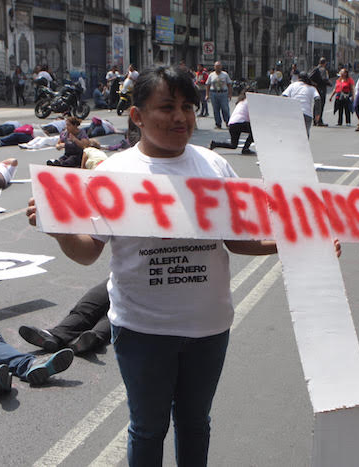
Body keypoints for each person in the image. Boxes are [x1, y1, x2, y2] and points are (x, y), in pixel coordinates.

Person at [26, 65, 291, 467]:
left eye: (188, 107)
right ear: (137, 116)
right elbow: (86, 253)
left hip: (208, 330)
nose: (180, 117)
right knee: (147, 428)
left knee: (195, 423)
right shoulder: (113, 175)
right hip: (142, 331)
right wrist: (58, 228)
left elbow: (239, 240)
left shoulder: (214, 168)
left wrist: (295, 245)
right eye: (166, 107)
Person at [19, 280, 111, 355]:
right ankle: (55, 335)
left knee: (117, 314)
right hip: (117, 278)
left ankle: (91, 339)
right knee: (88, 306)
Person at [208, 88, 255, 154]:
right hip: (240, 123)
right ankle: (245, 149)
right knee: (254, 131)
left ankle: (215, 144)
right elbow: (252, 116)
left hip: (232, 124)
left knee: (233, 145)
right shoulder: (249, 102)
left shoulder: (241, 101)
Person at [282, 71, 321, 139]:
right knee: (305, 137)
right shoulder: (312, 88)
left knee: (293, 135)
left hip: (293, 114)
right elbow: (317, 99)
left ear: (298, 78)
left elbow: (284, 96)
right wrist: (317, 114)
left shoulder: (292, 85)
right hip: (307, 115)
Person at [205, 61, 233, 129]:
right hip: (214, 93)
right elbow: (208, 85)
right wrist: (207, 94)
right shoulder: (211, 75)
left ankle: (227, 122)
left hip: (223, 93)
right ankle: (218, 124)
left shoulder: (225, 74)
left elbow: (229, 84)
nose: (218, 68)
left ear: (221, 67)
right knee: (215, 109)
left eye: (219, 66)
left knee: (225, 108)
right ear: (214, 67)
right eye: (216, 66)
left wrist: (230, 94)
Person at [309, 58, 331, 126]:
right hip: (321, 88)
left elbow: (309, 77)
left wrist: (314, 84)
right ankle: (319, 121)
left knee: (316, 104)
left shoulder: (315, 68)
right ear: (325, 63)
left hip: (316, 89)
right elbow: (324, 79)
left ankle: (315, 121)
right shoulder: (322, 69)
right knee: (321, 105)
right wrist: (329, 83)